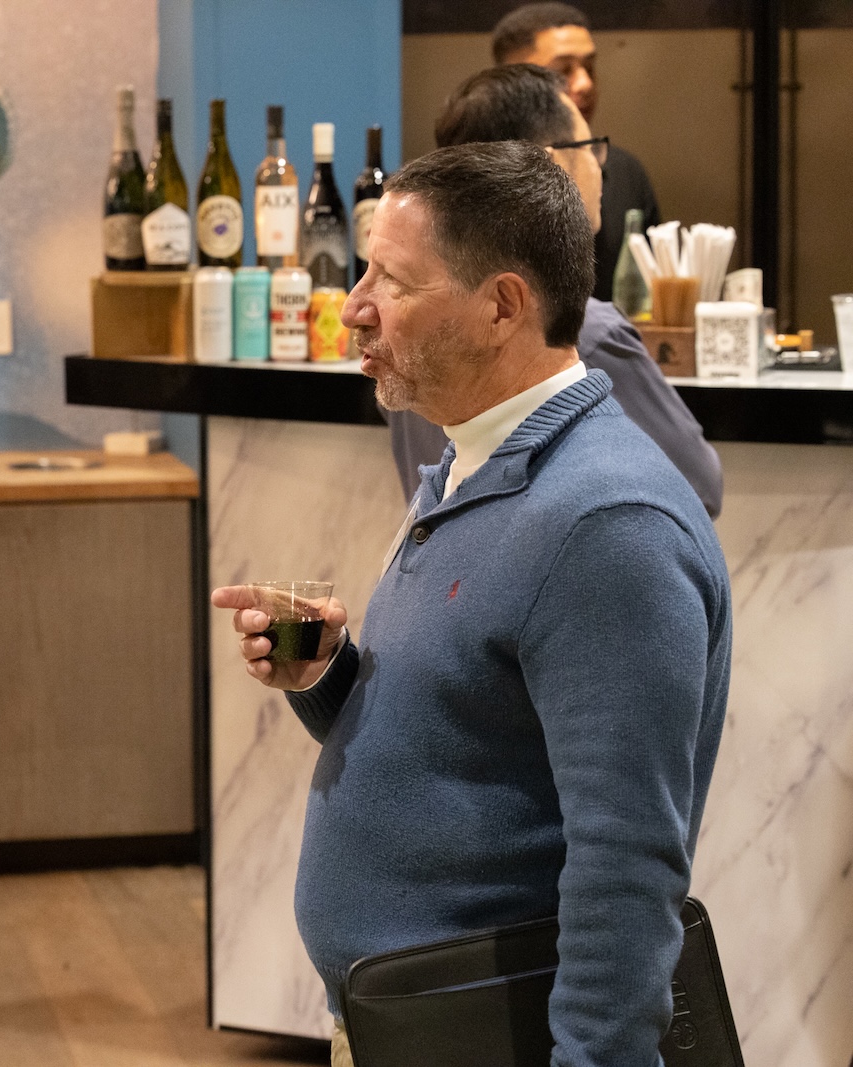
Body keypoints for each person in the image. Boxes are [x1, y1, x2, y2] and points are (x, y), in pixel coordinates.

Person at [212, 142, 731, 1067]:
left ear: (502, 306)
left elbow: (626, 867)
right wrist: (332, 677)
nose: (355, 305)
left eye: (392, 280)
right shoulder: (471, 462)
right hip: (403, 1024)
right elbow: (471, 736)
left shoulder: (606, 526)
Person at [387, 64, 723, 517]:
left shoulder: (404, 326)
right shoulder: (581, 332)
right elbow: (697, 485)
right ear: (551, 165)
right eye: (591, 148)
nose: (601, 166)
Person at [494, 1, 660, 303]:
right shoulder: (479, 180)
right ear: (512, 79)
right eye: (562, 71)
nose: (584, 84)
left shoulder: (625, 173)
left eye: (590, 67)